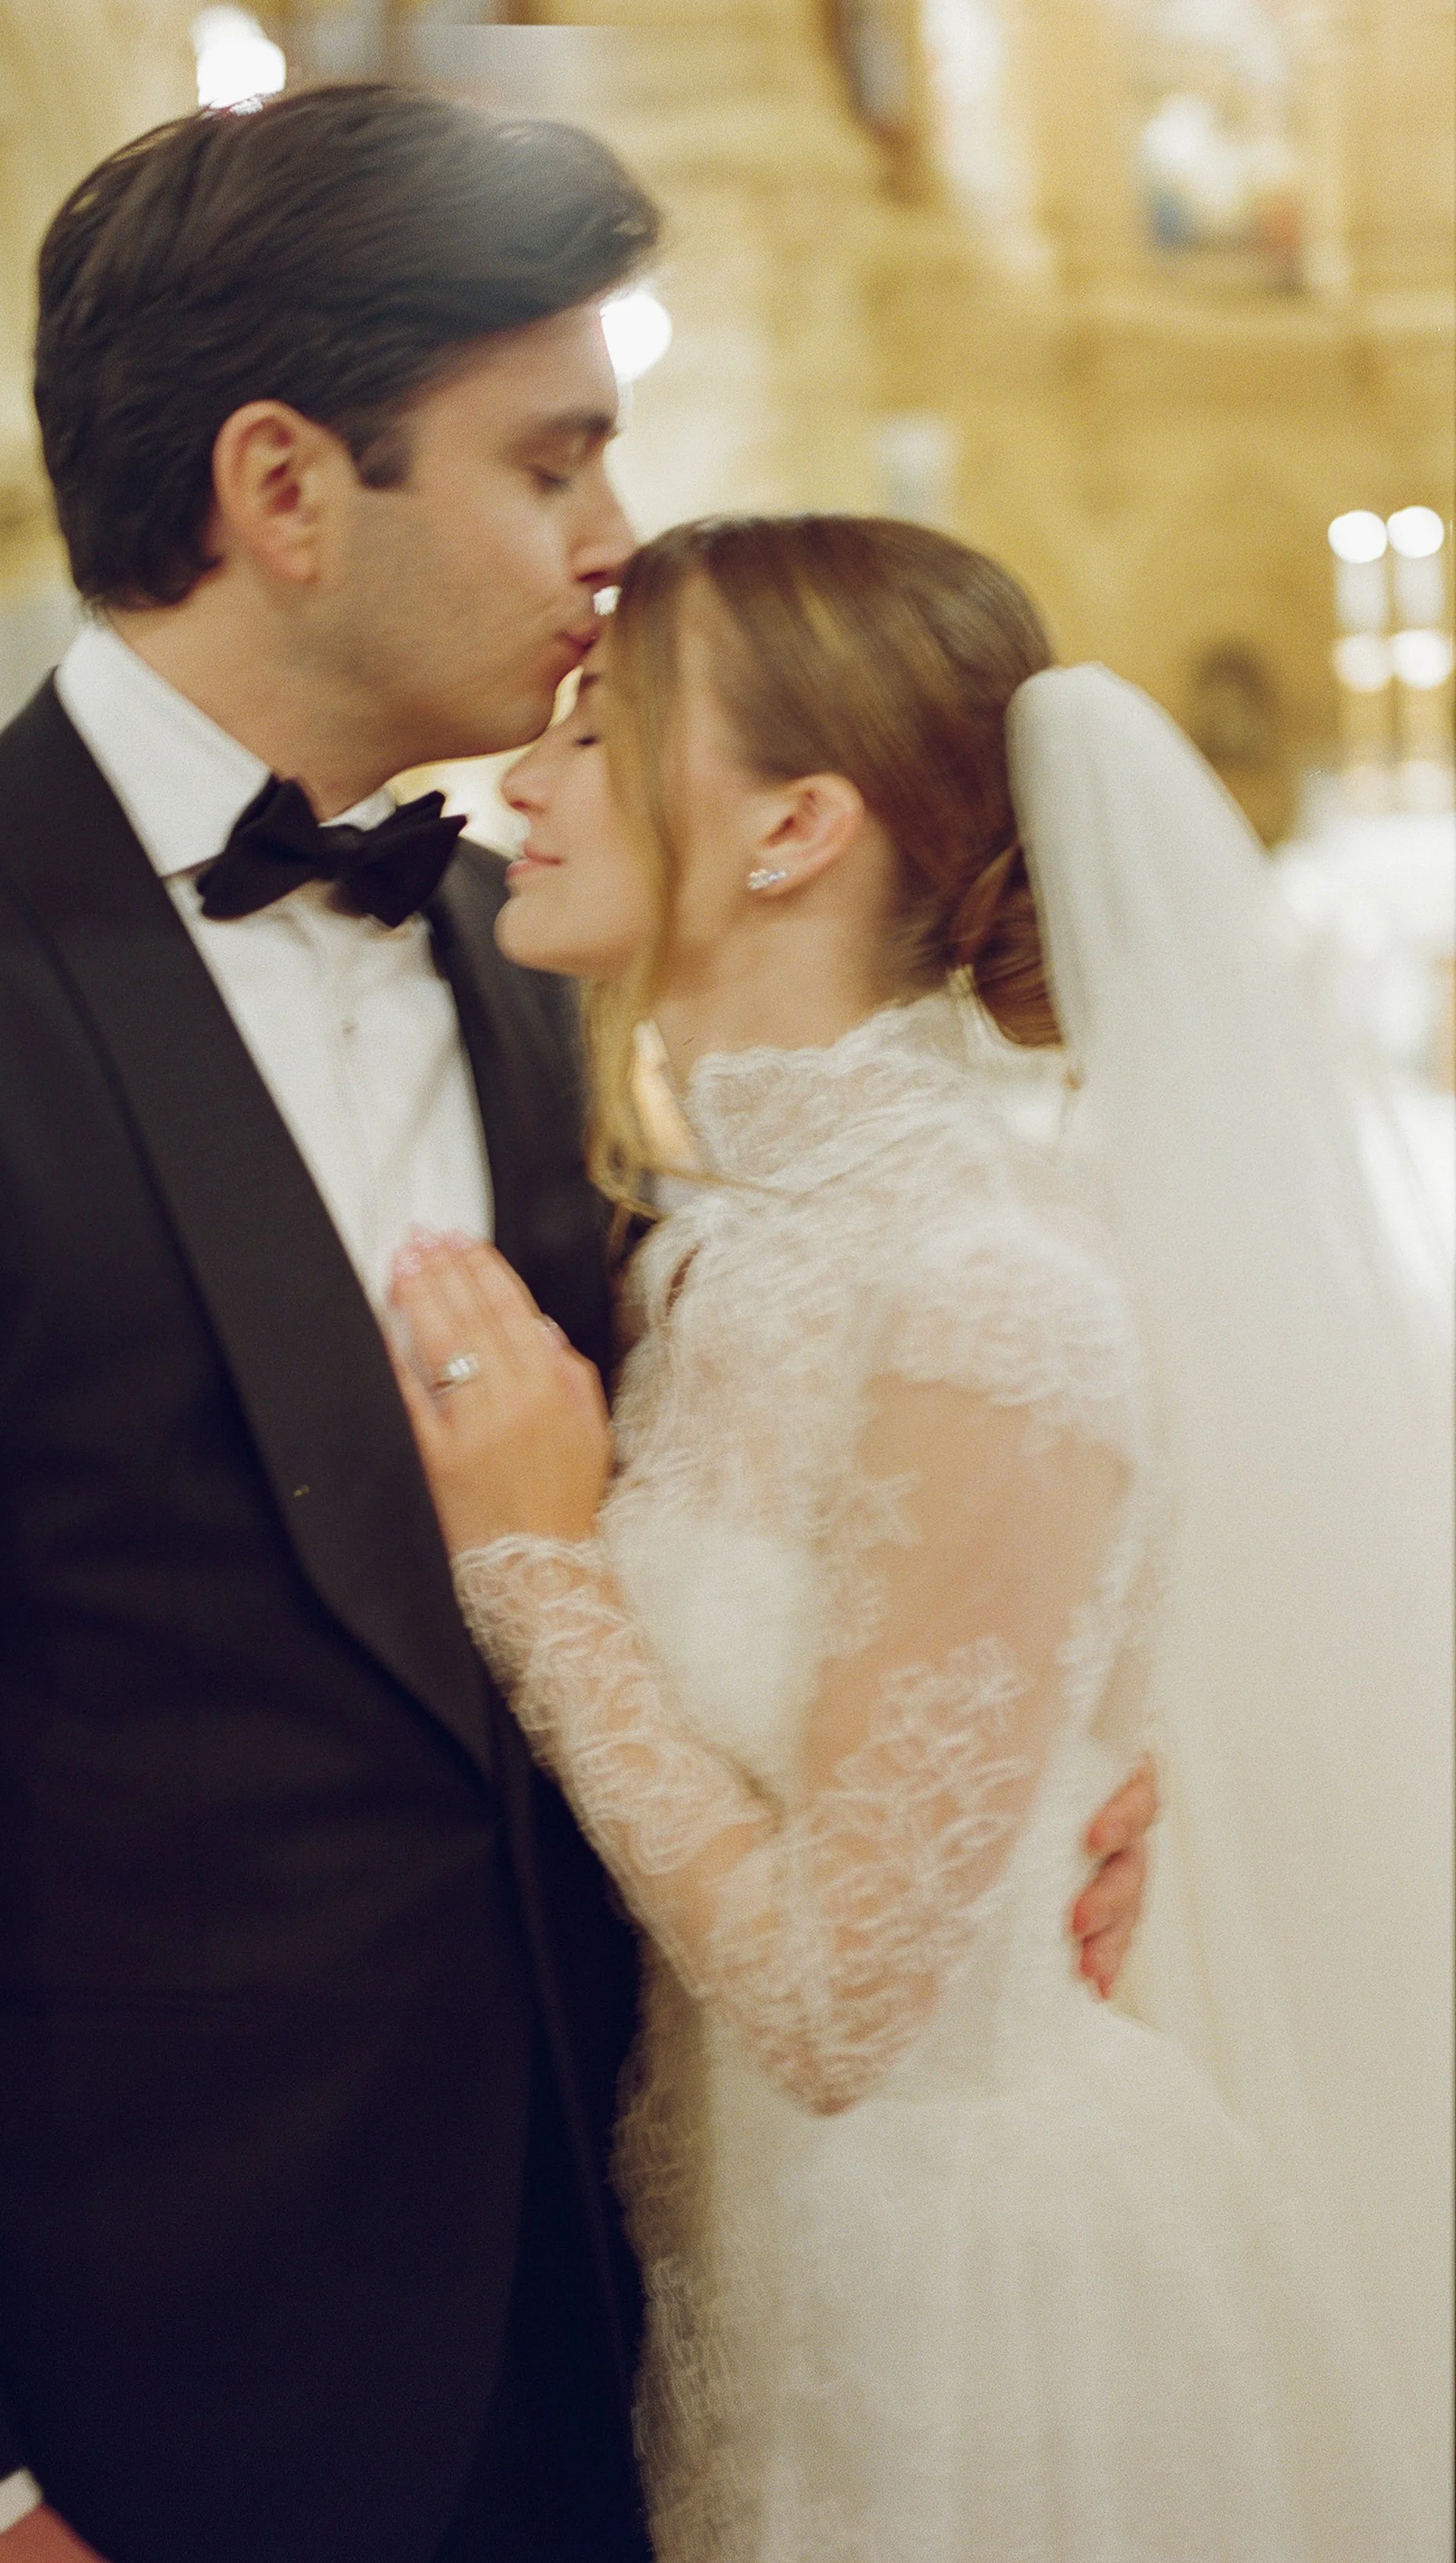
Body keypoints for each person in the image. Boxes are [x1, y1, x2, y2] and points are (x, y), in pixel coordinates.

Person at [0, 93, 1154, 2563]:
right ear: (285, 487)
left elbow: (857, 1474)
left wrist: (1100, 1752)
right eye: (552, 466)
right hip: (127, 2410)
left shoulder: (537, 976)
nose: (614, 551)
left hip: (631, 2350)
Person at [391, 515, 1452, 2560]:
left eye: (594, 738)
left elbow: (837, 1997)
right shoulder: (749, 1247)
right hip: (762, 2261)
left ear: (791, 825)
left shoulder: (981, 1287)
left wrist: (535, 1573)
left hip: (979, 2328)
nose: (519, 785)